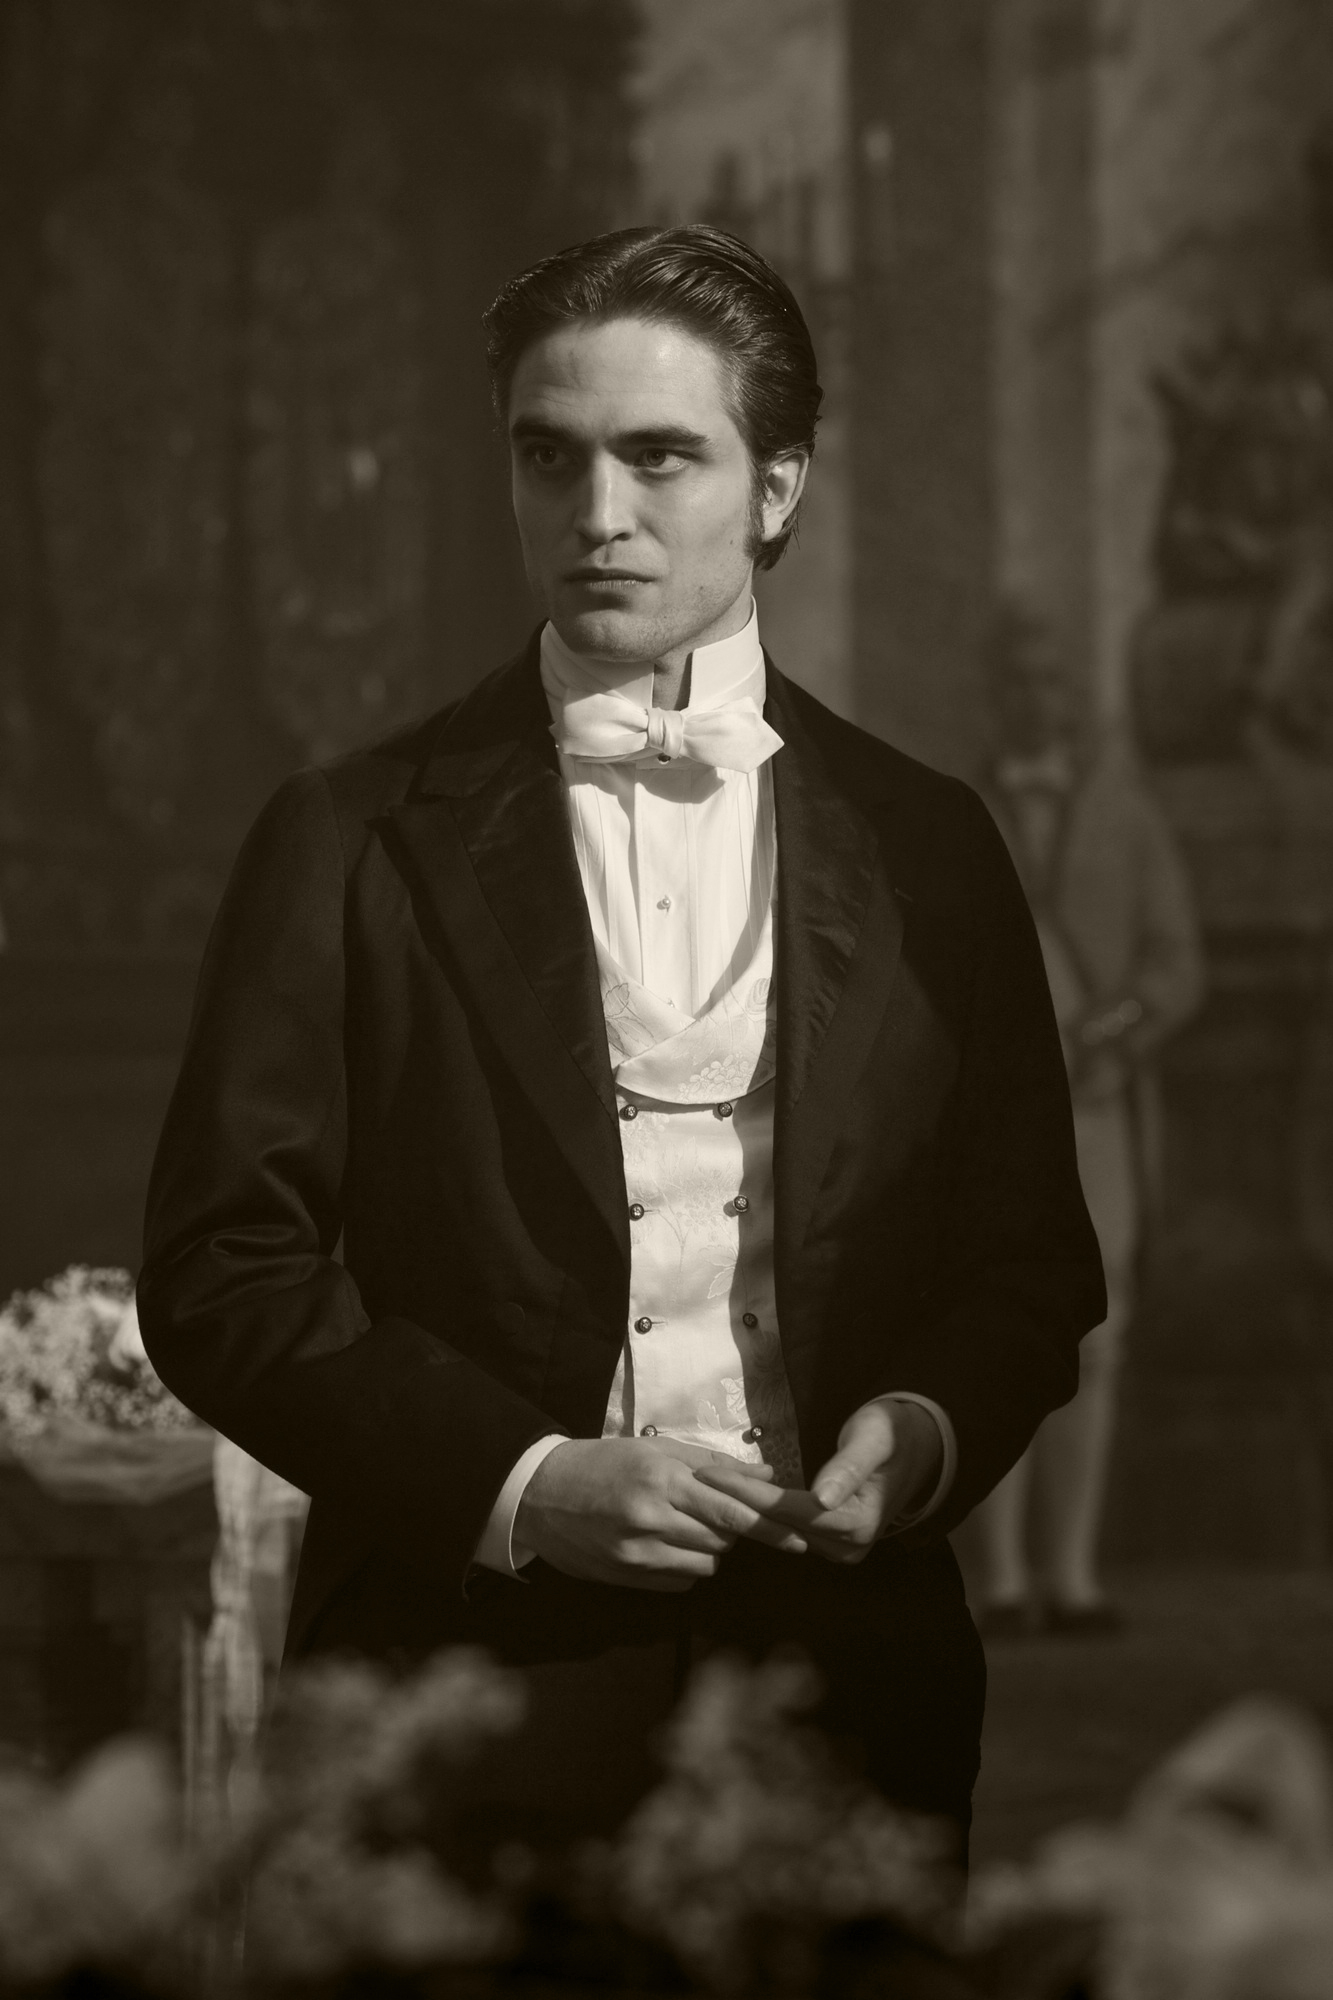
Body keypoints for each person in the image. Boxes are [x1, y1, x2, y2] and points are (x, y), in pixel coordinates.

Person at [139, 227, 1103, 1854]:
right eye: (549, 456)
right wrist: (522, 1482)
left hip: (849, 1686)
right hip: (458, 1695)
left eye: (660, 457)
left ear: (777, 486)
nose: (596, 513)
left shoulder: (928, 845)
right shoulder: (346, 835)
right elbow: (223, 1267)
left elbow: (1027, 1261)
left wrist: (923, 1433)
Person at [973, 605, 1204, 1636]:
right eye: (1018, 681)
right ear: (994, 695)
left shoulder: (1126, 816)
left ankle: (1071, 1576)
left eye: (1053, 680)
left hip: (1098, 1108)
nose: (1038, 699)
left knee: (1095, 1336)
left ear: (1075, 695)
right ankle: (1002, 1578)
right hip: (984, 1118)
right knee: (991, 1327)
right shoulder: (952, 808)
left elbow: (1175, 963)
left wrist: (1107, 1033)